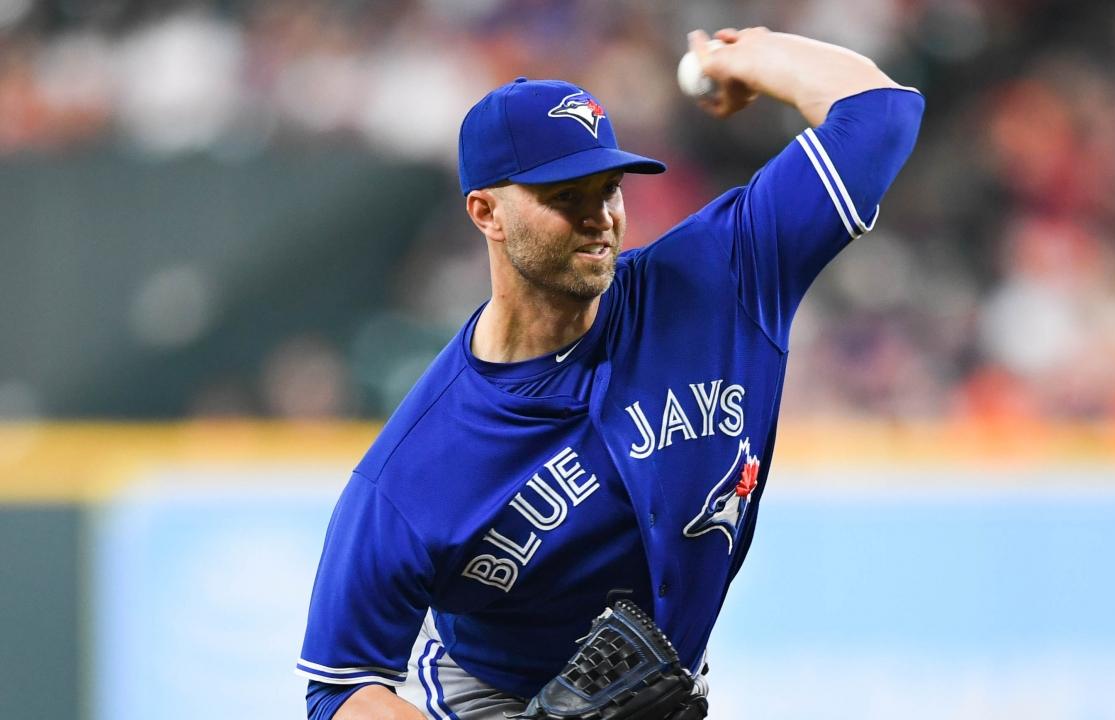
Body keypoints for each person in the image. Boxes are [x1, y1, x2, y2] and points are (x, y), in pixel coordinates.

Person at [297, 27, 924, 720]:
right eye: (565, 197)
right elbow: (339, 687)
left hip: (664, 693)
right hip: (498, 701)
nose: (599, 217)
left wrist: (748, 55)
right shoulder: (416, 468)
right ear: (486, 212)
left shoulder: (719, 280)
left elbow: (881, 114)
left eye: (609, 188)